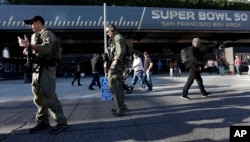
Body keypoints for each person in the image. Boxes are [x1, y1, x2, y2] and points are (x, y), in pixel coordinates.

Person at [17, 15, 68, 134]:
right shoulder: (34, 36)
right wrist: (27, 50)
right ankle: (43, 120)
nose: (30, 26)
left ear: (39, 22)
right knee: (38, 95)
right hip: (37, 68)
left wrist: (29, 46)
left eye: (32, 23)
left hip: (47, 68)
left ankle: (61, 122)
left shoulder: (48, 34)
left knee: (48, 94)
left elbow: (46, 49)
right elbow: (34, 51)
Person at [106, 24, 128, 116]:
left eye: (107, 31)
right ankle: (121, 106)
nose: (107, 33)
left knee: (113, 87)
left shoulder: (118, 38)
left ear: (113, 30)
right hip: (117, 66)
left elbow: (120, 52)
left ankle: (121, 108)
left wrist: (114, 64)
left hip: (116, 66)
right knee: (118, 87)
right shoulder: (114, 39)